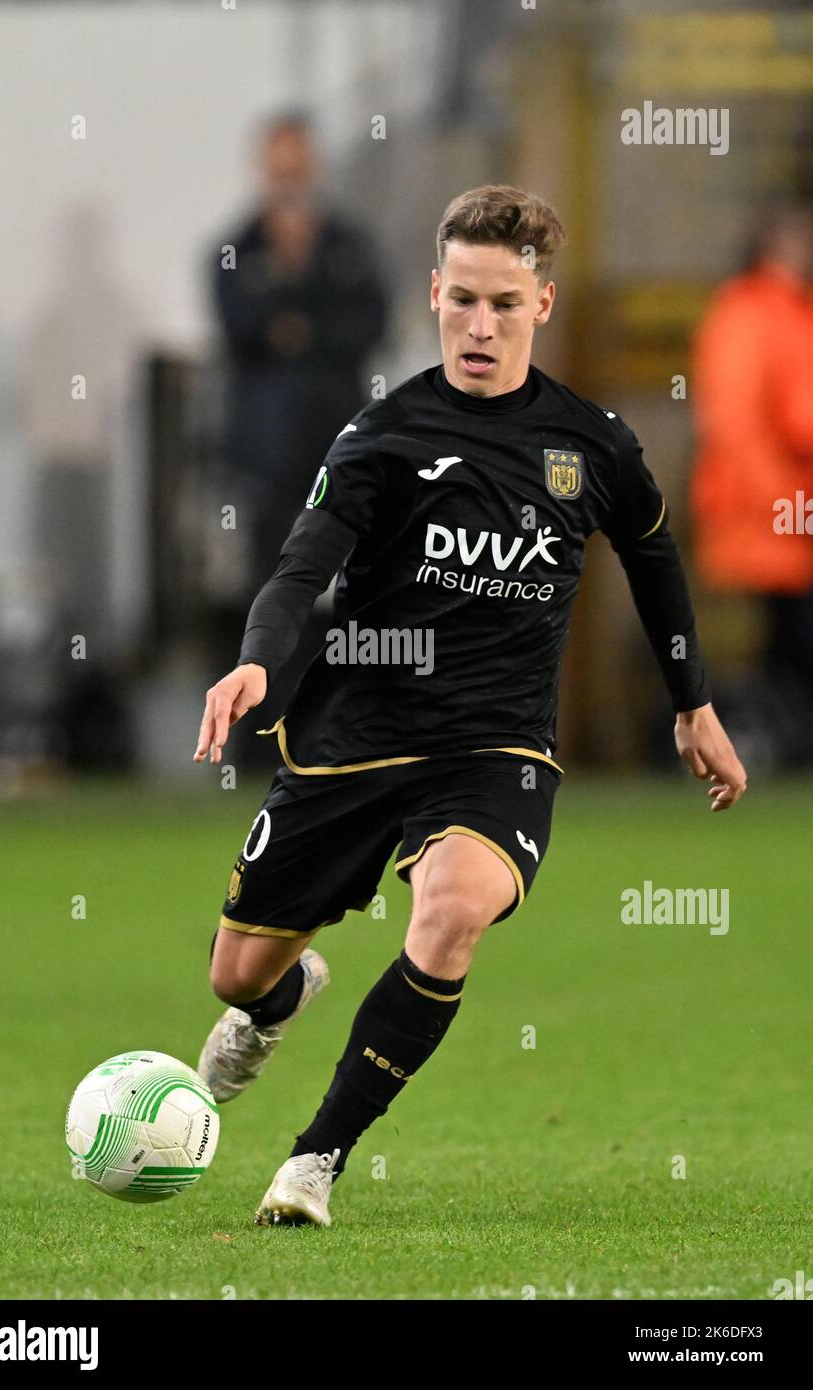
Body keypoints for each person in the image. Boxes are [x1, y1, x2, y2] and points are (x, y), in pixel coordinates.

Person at [194, 185, 747, 1228]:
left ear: (540, 303)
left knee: (449, 910)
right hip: (353, 736)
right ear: (434, 294)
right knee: (235, 973)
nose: (479, 327)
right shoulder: (385, 433)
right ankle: (277, 1001)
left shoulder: (590, 445)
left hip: (494, 748)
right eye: (461, 302)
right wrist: (257, 660)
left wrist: (692, 703)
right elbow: (300, 562)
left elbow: (651, 553)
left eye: (502, 304)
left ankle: (315, 1159)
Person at [210, 112, 387, 678]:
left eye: (299, 163)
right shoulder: (236, 249)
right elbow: (241, 325)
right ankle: (262, 726)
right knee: (270, 585)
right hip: (266, 459)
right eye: (279, 164)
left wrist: (298, 330)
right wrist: (303, 324)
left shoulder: (349, 245)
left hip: (337, 449)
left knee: (345, 582)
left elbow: (368, 324)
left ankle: (335, 725)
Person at [690, 205, 813, 730]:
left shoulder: (791, 311)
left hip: (787, 506)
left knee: (789, 638)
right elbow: (738, 423)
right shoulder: (746, 313)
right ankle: (778, 735)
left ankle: (786, 735)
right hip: (767, 510)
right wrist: (784, 504)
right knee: (790, 634)